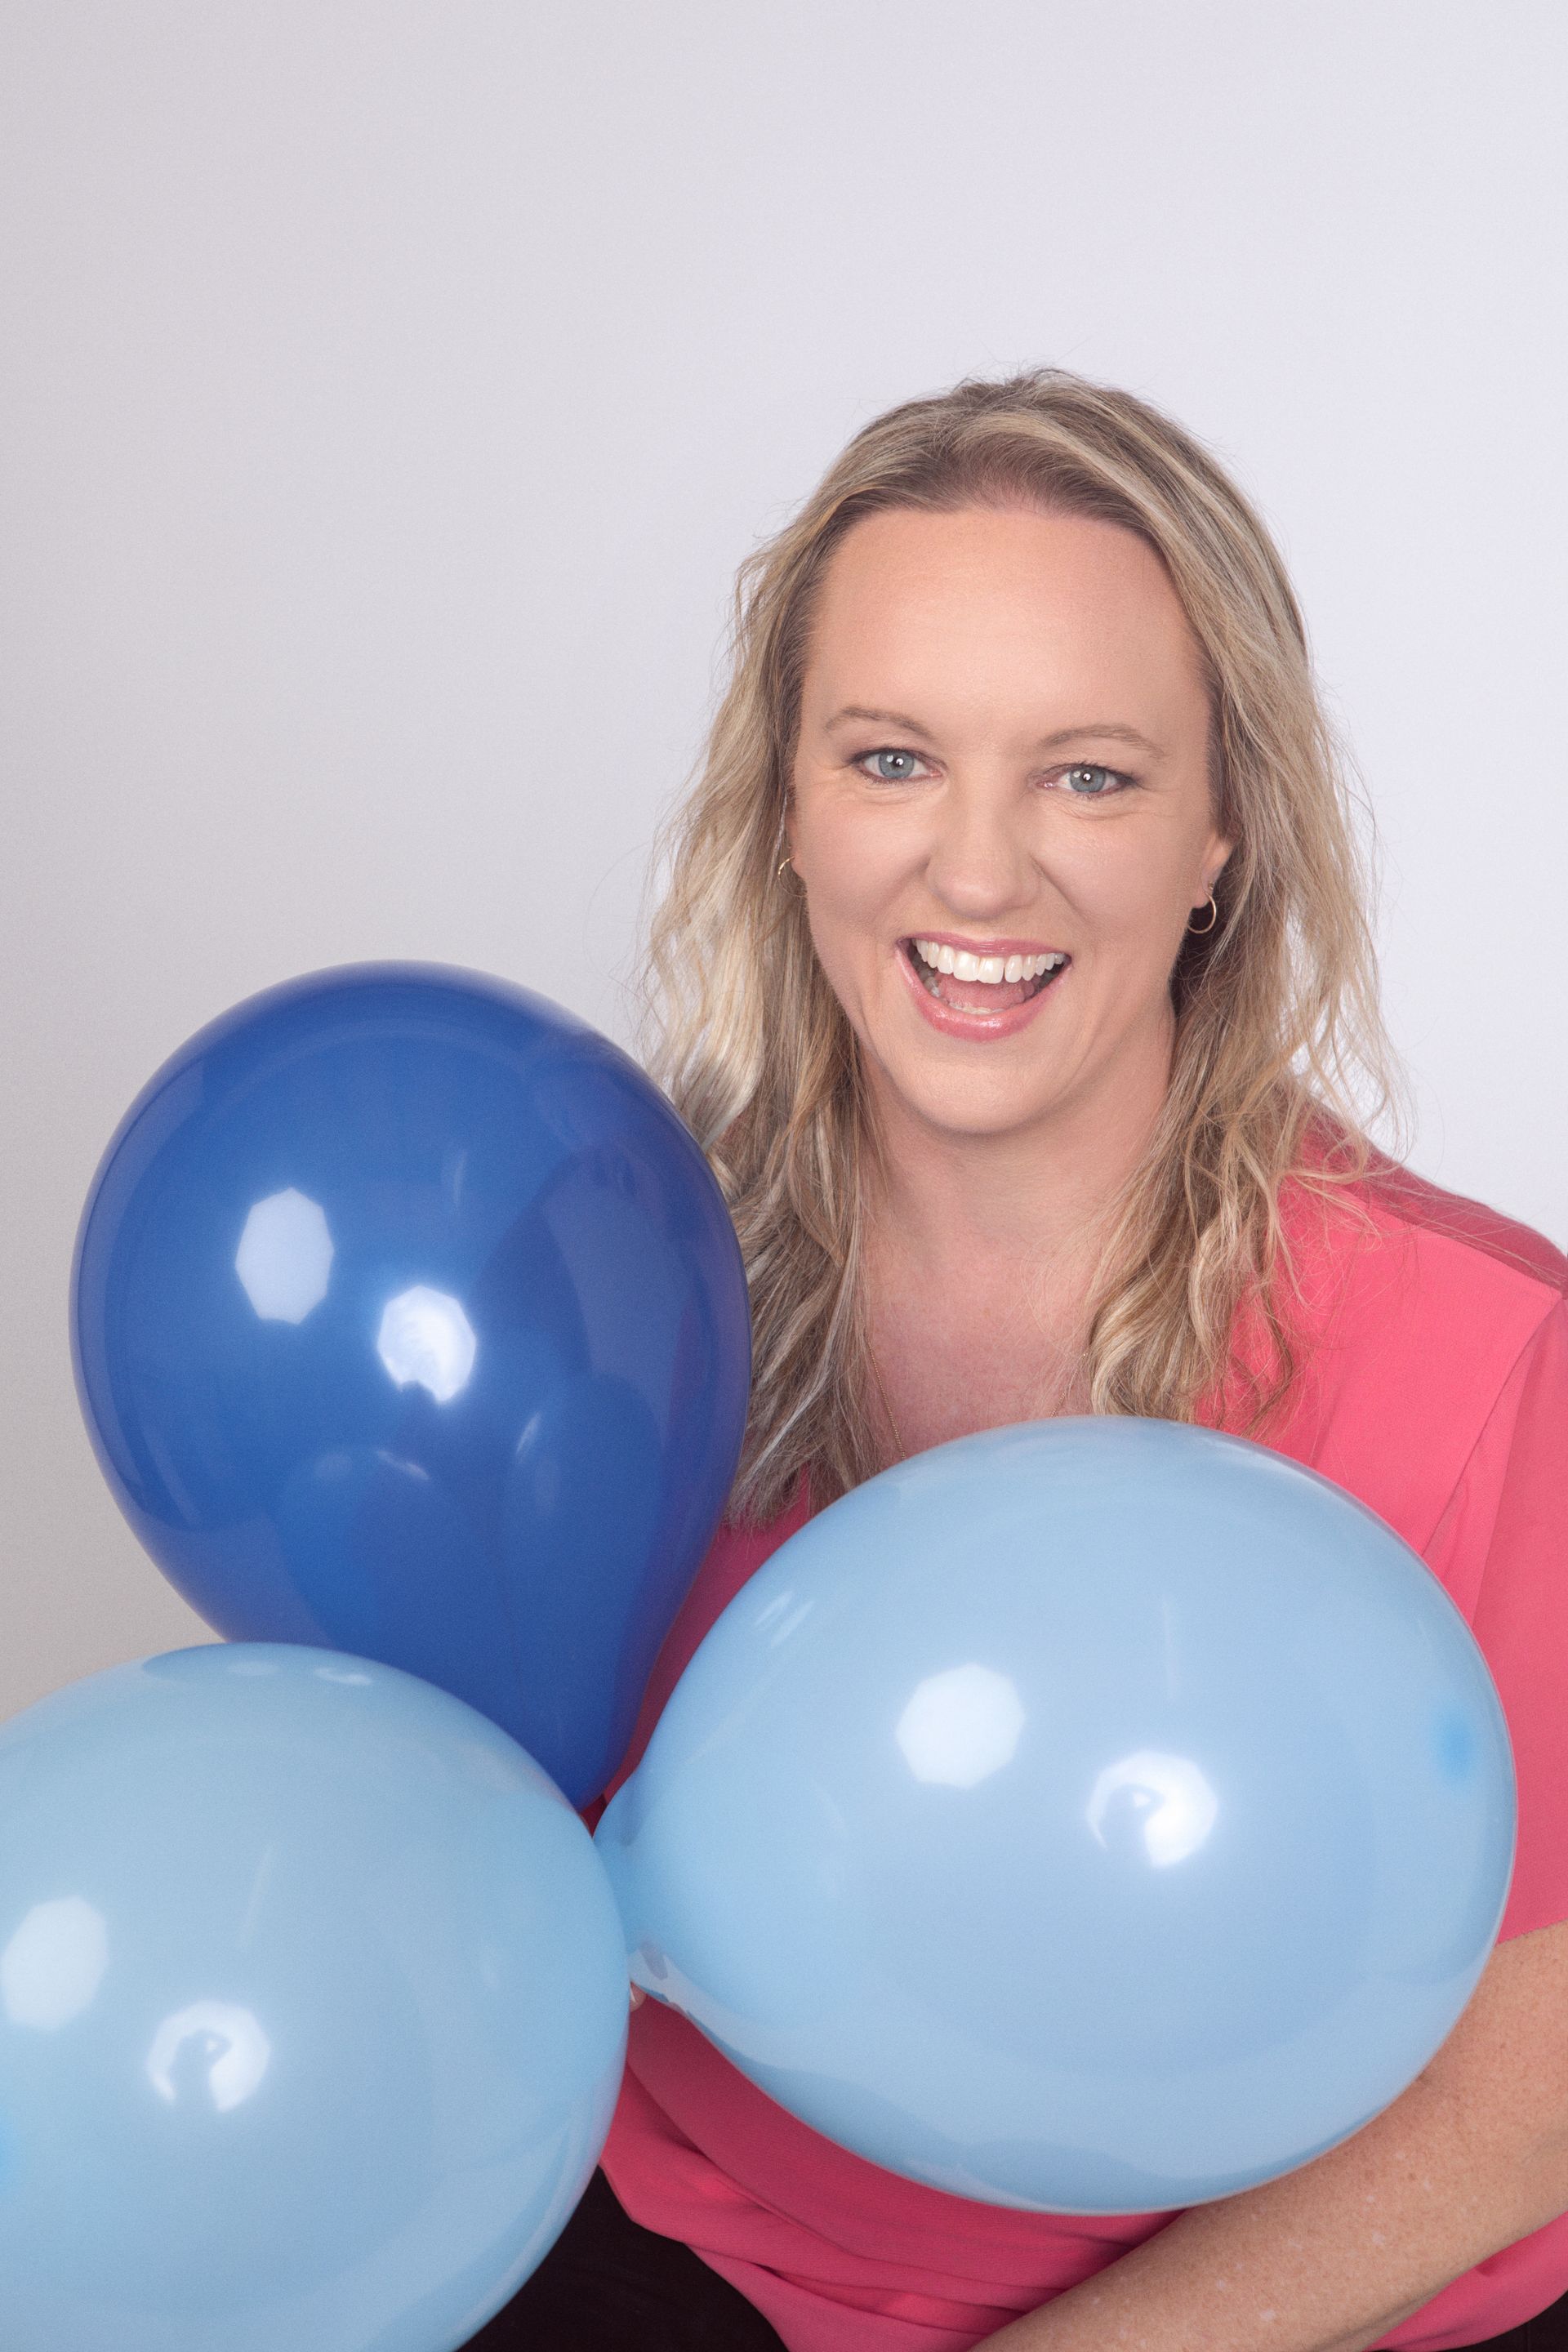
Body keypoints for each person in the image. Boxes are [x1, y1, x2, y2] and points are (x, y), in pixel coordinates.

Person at [471, 369, 1568, 2350]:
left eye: (1089, 775)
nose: (977, 876)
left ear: (1224, 834)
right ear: (784, 810)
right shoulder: (611, 1285)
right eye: (891, 761)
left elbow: (1531, 2084)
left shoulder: (1489, 1355)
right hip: (679, 2262)